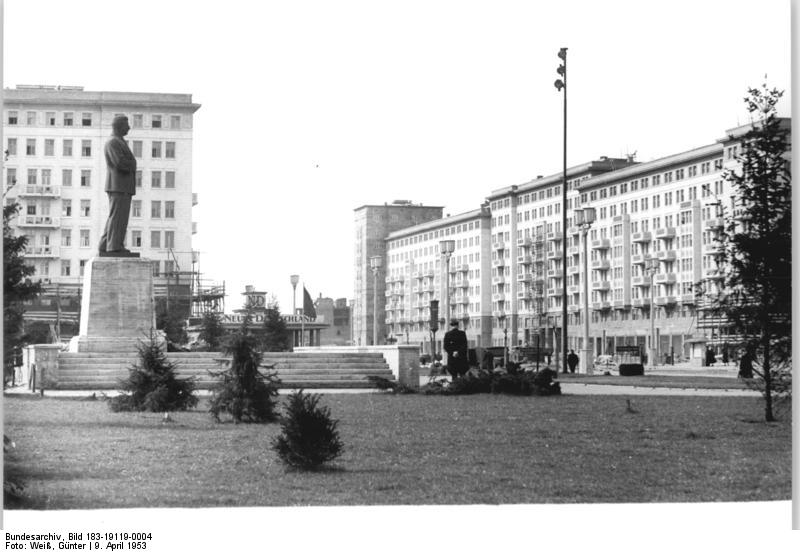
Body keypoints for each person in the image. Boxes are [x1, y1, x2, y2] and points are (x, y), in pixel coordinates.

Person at [98, 115, 137, 254]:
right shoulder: (113, 142)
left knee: (116, 216)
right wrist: (133, 163)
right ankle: (114, 246)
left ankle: (105, 245)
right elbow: (119, 163)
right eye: (126, 125)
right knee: (118, 217)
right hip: (118, 186)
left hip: (123, 186)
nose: (129, 128)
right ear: (119, 126)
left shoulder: (119, 142)